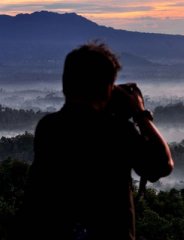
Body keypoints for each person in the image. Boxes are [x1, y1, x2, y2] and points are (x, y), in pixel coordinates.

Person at [20, 42, 174, 240]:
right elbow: (161, 165)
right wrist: (139, 113)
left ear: (66, 85)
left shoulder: (48, 127)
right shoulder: (116, 131)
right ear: (107, 89)